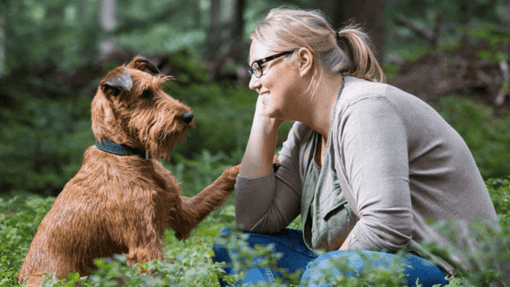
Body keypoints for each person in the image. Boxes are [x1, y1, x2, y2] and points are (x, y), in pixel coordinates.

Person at [212, 7, 499, 287]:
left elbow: (386, 227)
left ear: (302, 60)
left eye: (260, 66)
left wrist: (320, 273)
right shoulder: (306, 131)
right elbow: (255, 220)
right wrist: (263, 123)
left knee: (328, 270)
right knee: (234, 244)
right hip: (361, 263)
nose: (252, 82)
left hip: (445, 272)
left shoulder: (366, 109)